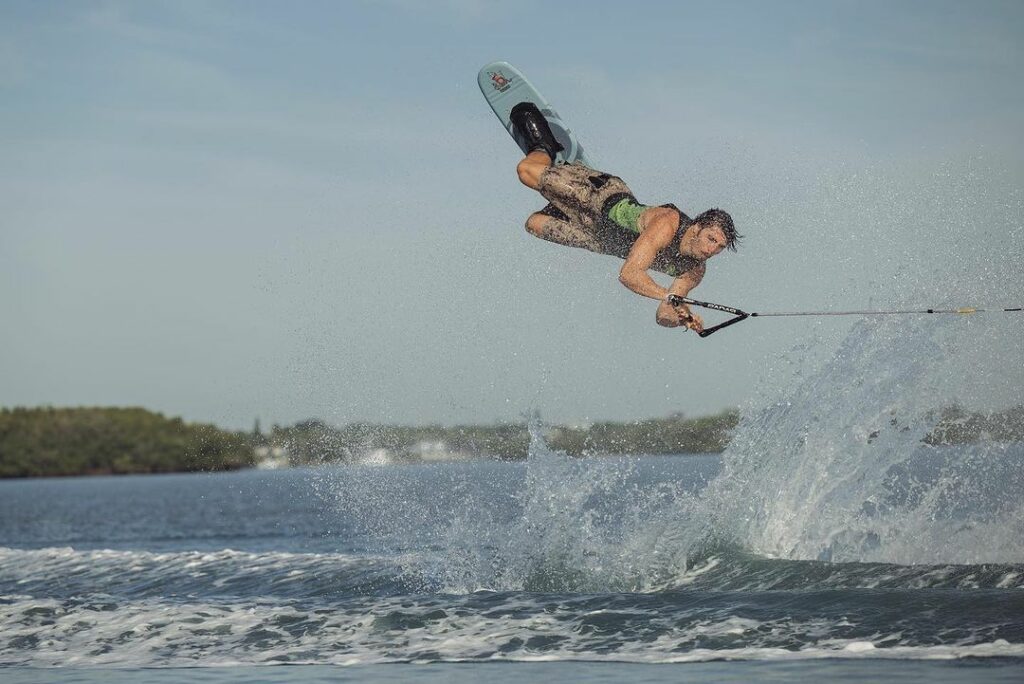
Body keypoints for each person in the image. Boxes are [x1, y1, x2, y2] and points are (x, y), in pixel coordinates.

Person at [509, 102, 740, 333]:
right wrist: (668, 296)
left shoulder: (694, 271)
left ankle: (564, 208)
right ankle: (545, 148)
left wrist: (683, 318)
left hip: (599, 239)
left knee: (533, 224)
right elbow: (629, 274)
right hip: (599, 197)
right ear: (698, 227)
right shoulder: (668, 223)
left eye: (719, 247)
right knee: (526, 172)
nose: (712, 250)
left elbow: (664, 314)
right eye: (711, 239)